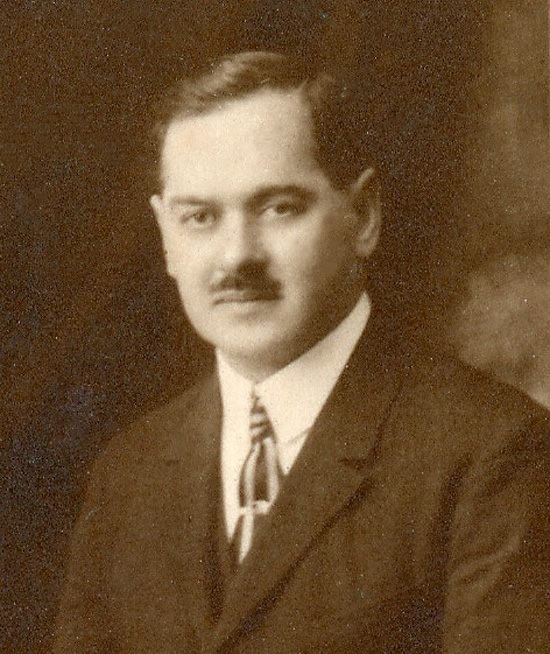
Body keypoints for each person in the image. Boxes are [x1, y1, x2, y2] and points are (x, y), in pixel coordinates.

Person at [53, 51, 550, 653]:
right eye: (200, 217)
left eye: (278, 208)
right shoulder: (128, 473)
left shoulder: (493, 454)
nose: (237, 256)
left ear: (363, 217)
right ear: (165, 238)